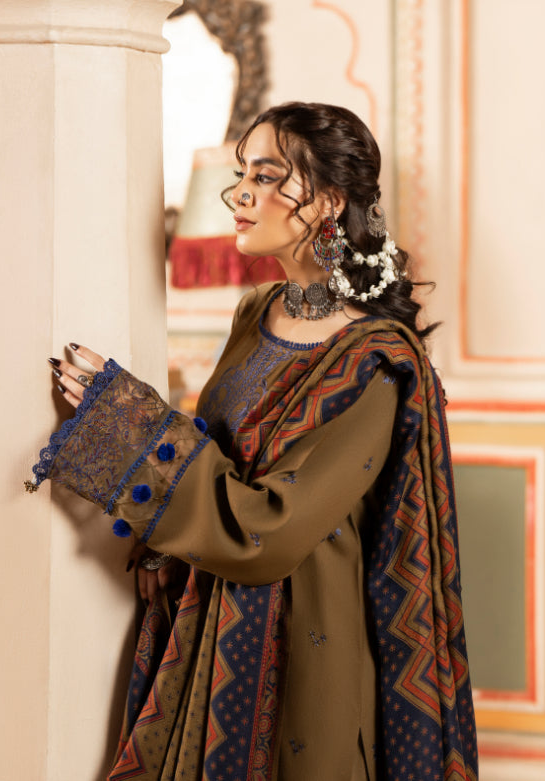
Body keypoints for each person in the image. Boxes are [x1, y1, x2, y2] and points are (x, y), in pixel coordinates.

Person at [27, 102, 477, 781]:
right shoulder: (257, 311)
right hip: (204, 628)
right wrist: (162, 528)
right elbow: (216, 446)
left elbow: (273, 526)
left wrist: (130, 428)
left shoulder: (377, 361)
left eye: (265, 178)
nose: (239, 194)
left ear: (328, 201)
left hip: (305, 655)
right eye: (241, 175)